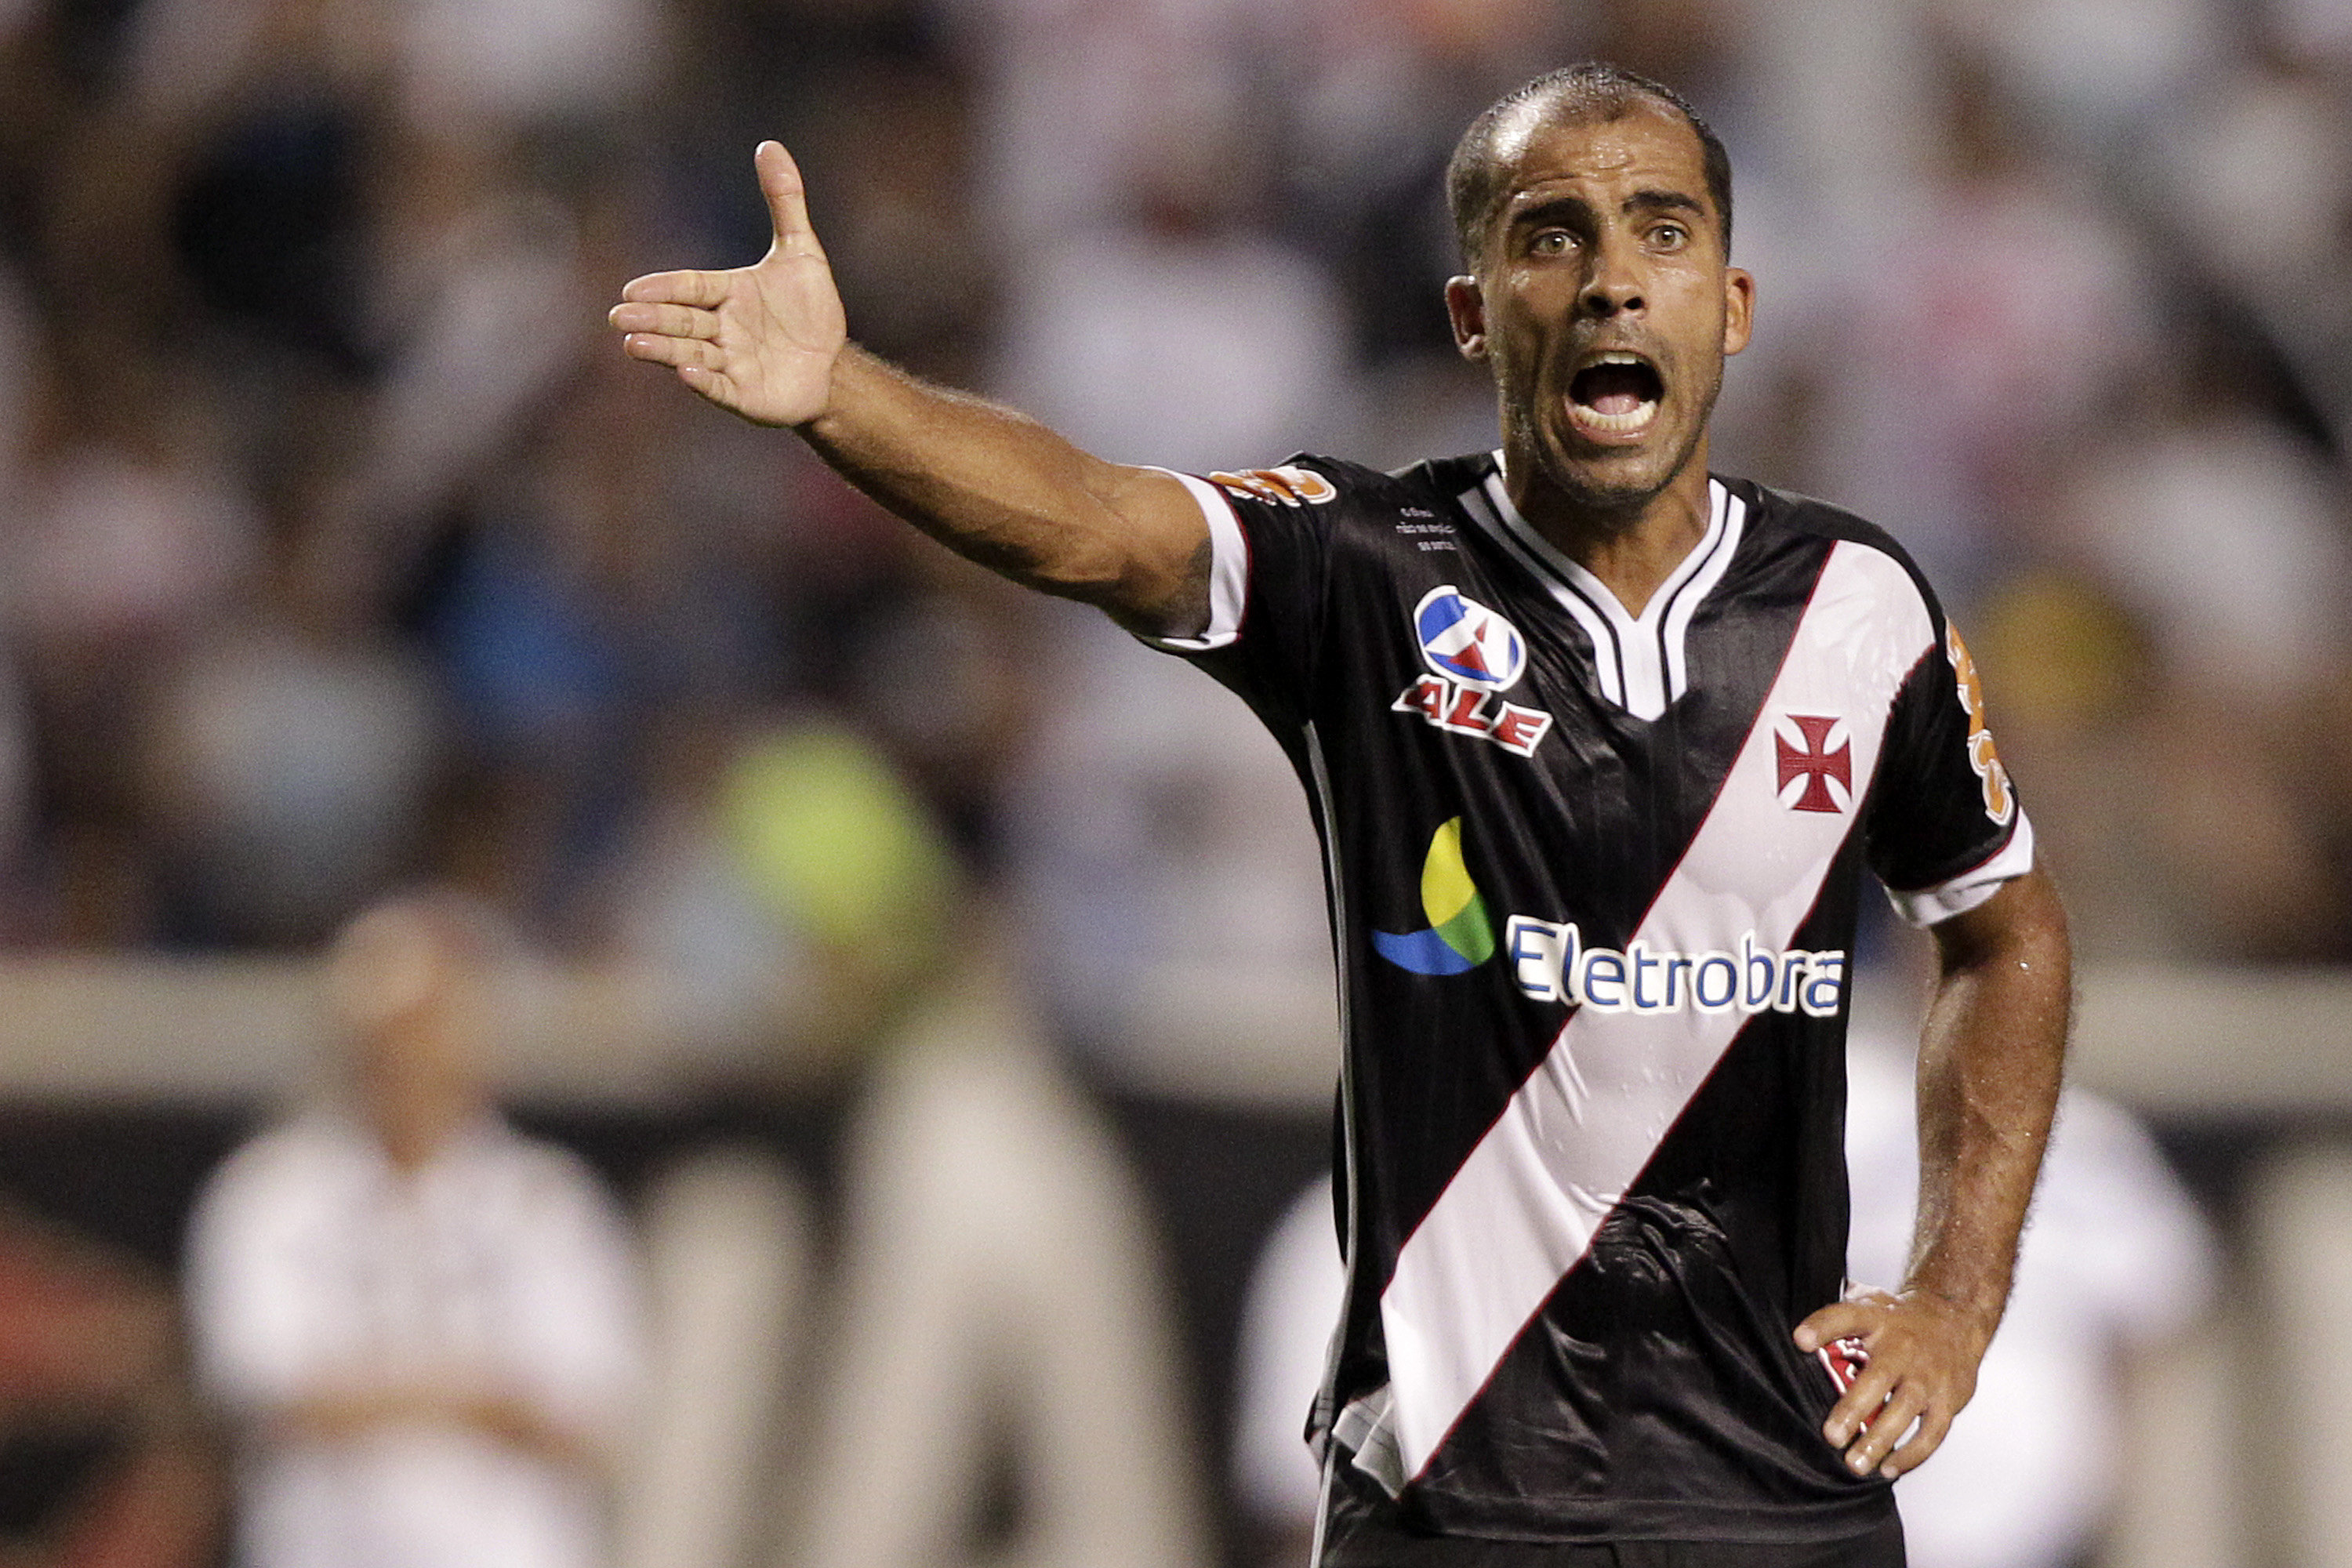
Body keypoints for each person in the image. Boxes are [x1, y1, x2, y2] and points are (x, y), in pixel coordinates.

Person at [609, 62, 2071, 1567]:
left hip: (1782, 1496)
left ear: (1737, 303)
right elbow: (1097, 520)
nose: (1615, 281)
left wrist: (1956, 1297)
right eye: (1552, 235)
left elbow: (2003, 928)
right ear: (1471, 312)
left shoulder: (1859, 606)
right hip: (1454, 1494)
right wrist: (840, 394)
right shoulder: (1375, 572)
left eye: (1663, 232)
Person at [183, 891, 643, 1568]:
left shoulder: (546, 1202)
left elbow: (588, 1412)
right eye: (384, 1030)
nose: (404, 1056)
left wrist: (375, 1397)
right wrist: (479, 1400)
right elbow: (266, 1391)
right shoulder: (270, 1193)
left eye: (426, 1025)